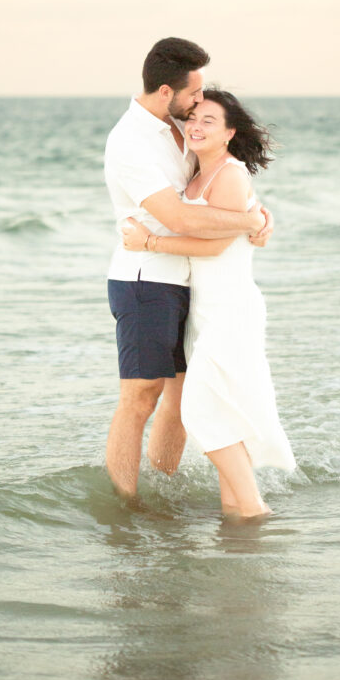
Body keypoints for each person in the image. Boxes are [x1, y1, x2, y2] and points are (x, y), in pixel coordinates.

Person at [104, 39, 273, 500]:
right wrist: (247, 222)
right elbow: (179, 217)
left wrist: (259, 212)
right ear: (165, 90)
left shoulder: (177, 127)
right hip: (147, 280)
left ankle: (162, 494)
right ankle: (126, 506)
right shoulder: (130, 142)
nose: (199, 102)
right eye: (193, 94)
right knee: (140, 398)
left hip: (187, 281)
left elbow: (218, 186)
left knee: (179, 401)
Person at [121, 89, 296, 518]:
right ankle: (235, 512)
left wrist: (150, 242)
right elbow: (231, 220)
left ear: (229, 133)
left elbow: (215, 245)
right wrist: (259, 216)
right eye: (193, 117)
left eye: (209, 121)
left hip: (231, 309)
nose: (196, 126)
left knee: (199, 407)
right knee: (221, 407)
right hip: (204, 309)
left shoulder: (230, 174)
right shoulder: (195, 176)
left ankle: (254, 509)